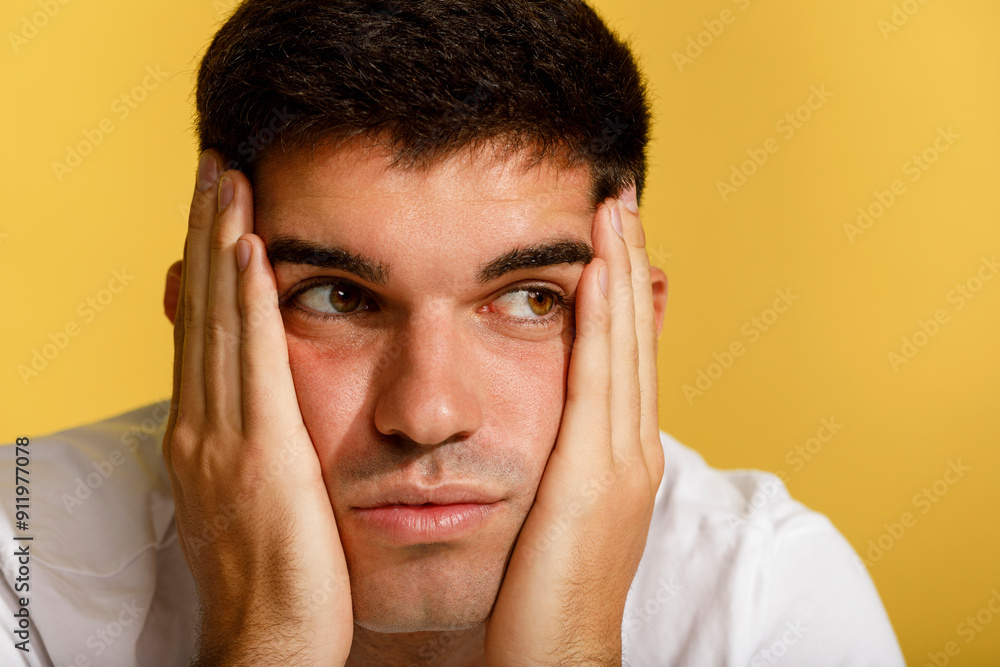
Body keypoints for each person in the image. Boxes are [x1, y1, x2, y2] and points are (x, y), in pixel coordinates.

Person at [0, 0, 906, 665]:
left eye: (530, 299)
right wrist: (265, 641)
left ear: (638, 328)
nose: (428, 413)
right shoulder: (23, 555)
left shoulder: (763, 595)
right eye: (338, 297)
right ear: (201, 322)